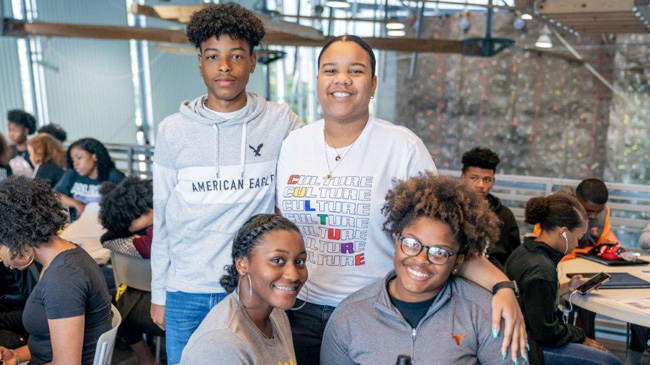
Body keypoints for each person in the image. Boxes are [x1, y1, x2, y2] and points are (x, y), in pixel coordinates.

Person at [276, 35, 526, 365]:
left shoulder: (401, 146)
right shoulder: (294, 144)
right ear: (318, 79)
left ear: (374, 83)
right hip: (297, 310)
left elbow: (446, 235)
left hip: (376, 314)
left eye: (356, 70)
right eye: (330, 70)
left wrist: (502, 286)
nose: (342, 80)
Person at [151, 4, 303, 363]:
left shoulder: (280, 121)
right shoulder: (172, 130)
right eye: (213, 56)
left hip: (251, 289)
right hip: (185, 289)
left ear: (252, 61)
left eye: (236, 56)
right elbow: (162, 216)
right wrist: (160, 293)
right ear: (200, 63)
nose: (225, 66)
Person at [322, 174, 509, 364]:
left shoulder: (484, 313)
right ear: (396, 242)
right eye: (412, 244)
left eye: (438, 252)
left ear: (458, 262)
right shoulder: (350, 316)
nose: (420, 259)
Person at [0, 176, 113, 365]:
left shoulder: (63, 278)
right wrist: (16, 356)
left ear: (15, 232)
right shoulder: (64, 257)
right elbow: (50, 341)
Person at [505, 193, 622, 365]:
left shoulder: (525, 251)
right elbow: (547, 332)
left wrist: (568, 287)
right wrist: (581, 336)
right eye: (579, 237)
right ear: (564, 233)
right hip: (531, 347)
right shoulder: (541, 270)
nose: (577, 244)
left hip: (521, 334)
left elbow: (532, 301)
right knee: (610, 362)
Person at [181, 214, 305, 364]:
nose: (293, 275)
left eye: (300, 261)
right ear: (242, 264)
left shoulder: (276, 313)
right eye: (277, 260)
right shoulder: (223, 342)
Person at [99, 177, 160, 365]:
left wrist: (130, 239)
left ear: (147, 213)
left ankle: (146, 360)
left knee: (113, 303)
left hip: (159, 306)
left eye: (127, 223)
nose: (125, 228)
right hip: (158, 298)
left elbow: (107, 239)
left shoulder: (155, 234)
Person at [460, 147, 520, 271]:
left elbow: (514, 259)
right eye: (474, 178)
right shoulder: (450, 210)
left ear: (493, 181)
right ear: (463, 177)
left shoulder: (504, 216)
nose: (480, 185)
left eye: (487, 179)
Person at [54, 138, 125, 220]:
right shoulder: (72, 174)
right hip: (78, 224)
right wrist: (76, 204)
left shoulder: (114, 176)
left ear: (94, 156)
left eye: (79, 158)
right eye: (73, 160)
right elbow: (55, 194)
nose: (75, 164)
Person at [6, 109, 36, 176]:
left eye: (15, 131)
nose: (11, 134)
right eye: (9, 130)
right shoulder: (7, 150)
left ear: (26, 131)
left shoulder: (34, 150)